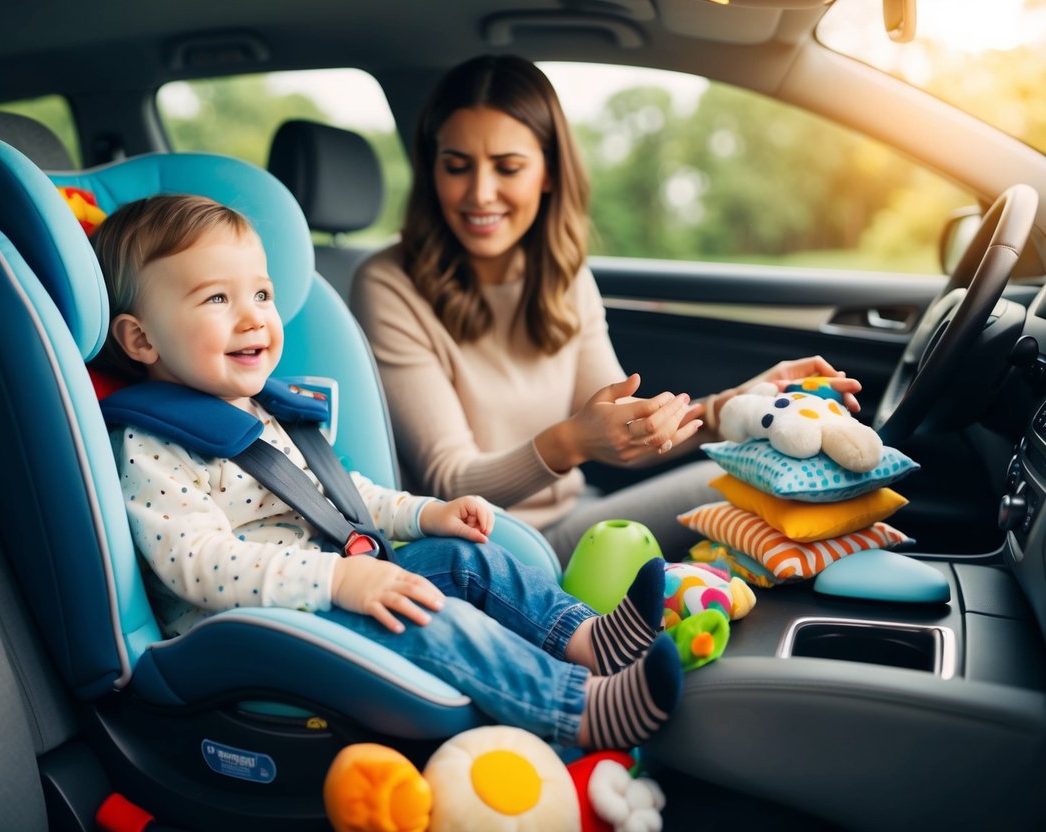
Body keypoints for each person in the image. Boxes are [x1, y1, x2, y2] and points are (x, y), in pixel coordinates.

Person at [89, 193, 683, 750]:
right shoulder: (152, 446)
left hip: (341, 583)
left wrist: (426, 514)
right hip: (256, 631)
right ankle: (577, 709)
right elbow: (197, 565)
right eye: (217, 299)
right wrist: (335, 581)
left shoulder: (267, 411)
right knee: (430, 613)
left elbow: (344, 498)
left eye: (262, 296)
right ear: (141, 339)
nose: (252, 319)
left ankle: (585, 639)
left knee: (463, 558)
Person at [351, 54, 862, 565]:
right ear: (432, 169)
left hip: (579, 517)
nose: (480, 192)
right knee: (761, 482)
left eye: (508, 167)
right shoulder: (389, 285)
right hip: (491, 549)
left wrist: (735, 407)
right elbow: (449, 482)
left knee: (775, 461)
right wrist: (569, 443)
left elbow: (627, 428)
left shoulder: (564, 275)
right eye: (456, 166)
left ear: (549, 173)